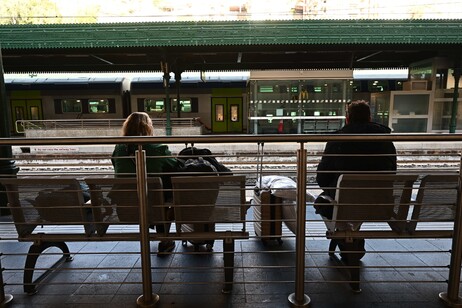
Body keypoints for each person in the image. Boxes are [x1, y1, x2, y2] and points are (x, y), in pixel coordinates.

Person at [111, 112, 182, 255]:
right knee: (168, 192)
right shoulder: (157, 148)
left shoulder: (118, 148)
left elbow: (115, 165)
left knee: (153, 193)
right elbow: (175, 166)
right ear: (148, 127)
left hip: (126, 208)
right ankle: (164, 239)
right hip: (154, 208)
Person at [315, 100, 397, 219]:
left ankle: (346, 233)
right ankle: (352, 233)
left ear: (348, 119)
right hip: (379, 205)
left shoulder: (337, 141)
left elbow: (322, 178)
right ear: (369, 118)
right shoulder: (385, 140)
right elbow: (392, 173)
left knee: (324, 201)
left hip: (344, 204)